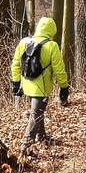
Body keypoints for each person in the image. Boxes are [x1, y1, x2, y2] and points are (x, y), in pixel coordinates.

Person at [11, 17, 69, 156]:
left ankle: (41, 137)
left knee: (38, 112)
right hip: (41, 89)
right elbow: (59, 69)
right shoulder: (51, 46)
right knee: (35, 116)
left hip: (26, 86)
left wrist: (16, 83)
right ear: (52, 30)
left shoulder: (24, 42)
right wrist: (64, 87)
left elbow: (15, 64)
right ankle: (24, 149)